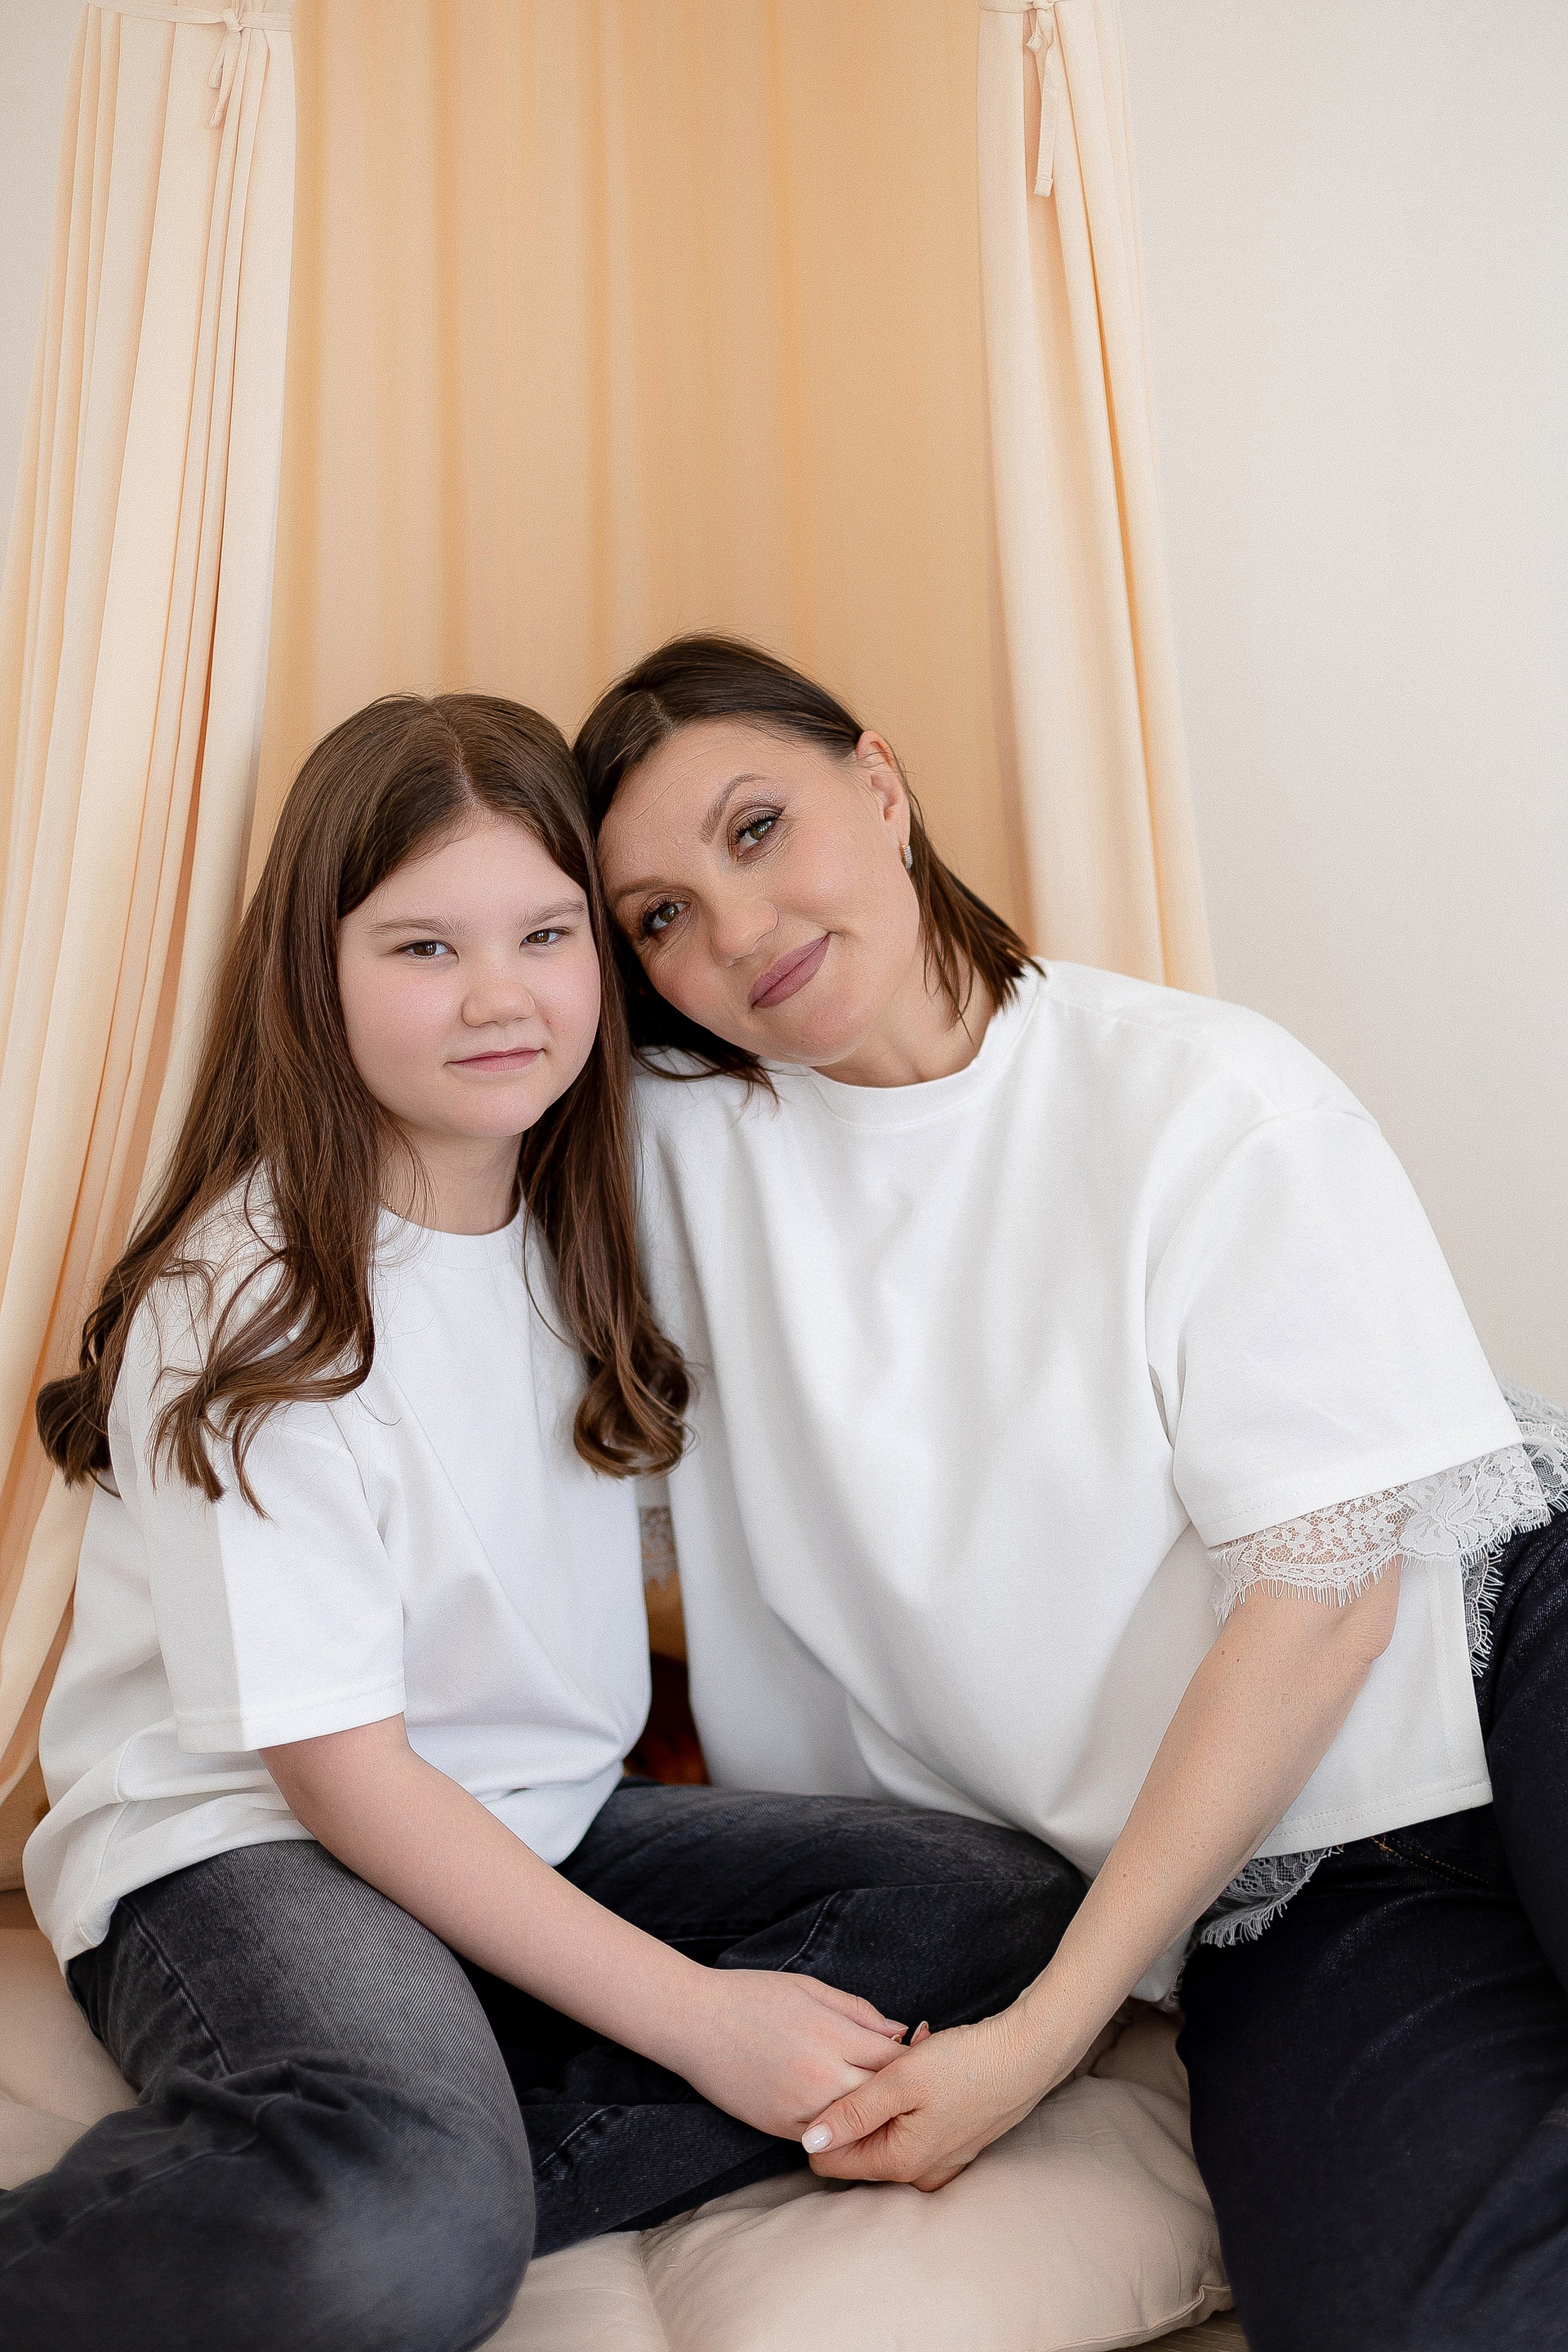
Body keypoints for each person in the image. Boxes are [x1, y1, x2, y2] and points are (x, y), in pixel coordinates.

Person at [2, 695, 1083, 2352]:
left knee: (997, 1901)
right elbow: (342, 1775)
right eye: (423, 948)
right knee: (409, 2231)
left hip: (541, 1822)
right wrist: (700, 2022)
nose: (500, 996)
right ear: (313, 974)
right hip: (253, 1849)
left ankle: (433, 2153)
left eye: (547, 935)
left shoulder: (587, 1219)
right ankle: (410, 2187)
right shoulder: (255, 1298)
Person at [580, 634, 1568, 2352]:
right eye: (659, 914)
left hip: (1506, 1639)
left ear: (881, 786)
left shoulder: (1202, 1094)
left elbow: (1327, 1600)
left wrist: (1036, 2039)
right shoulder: (663, 1161)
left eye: (758, 829)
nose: (733, 930)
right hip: (1303, 1872)